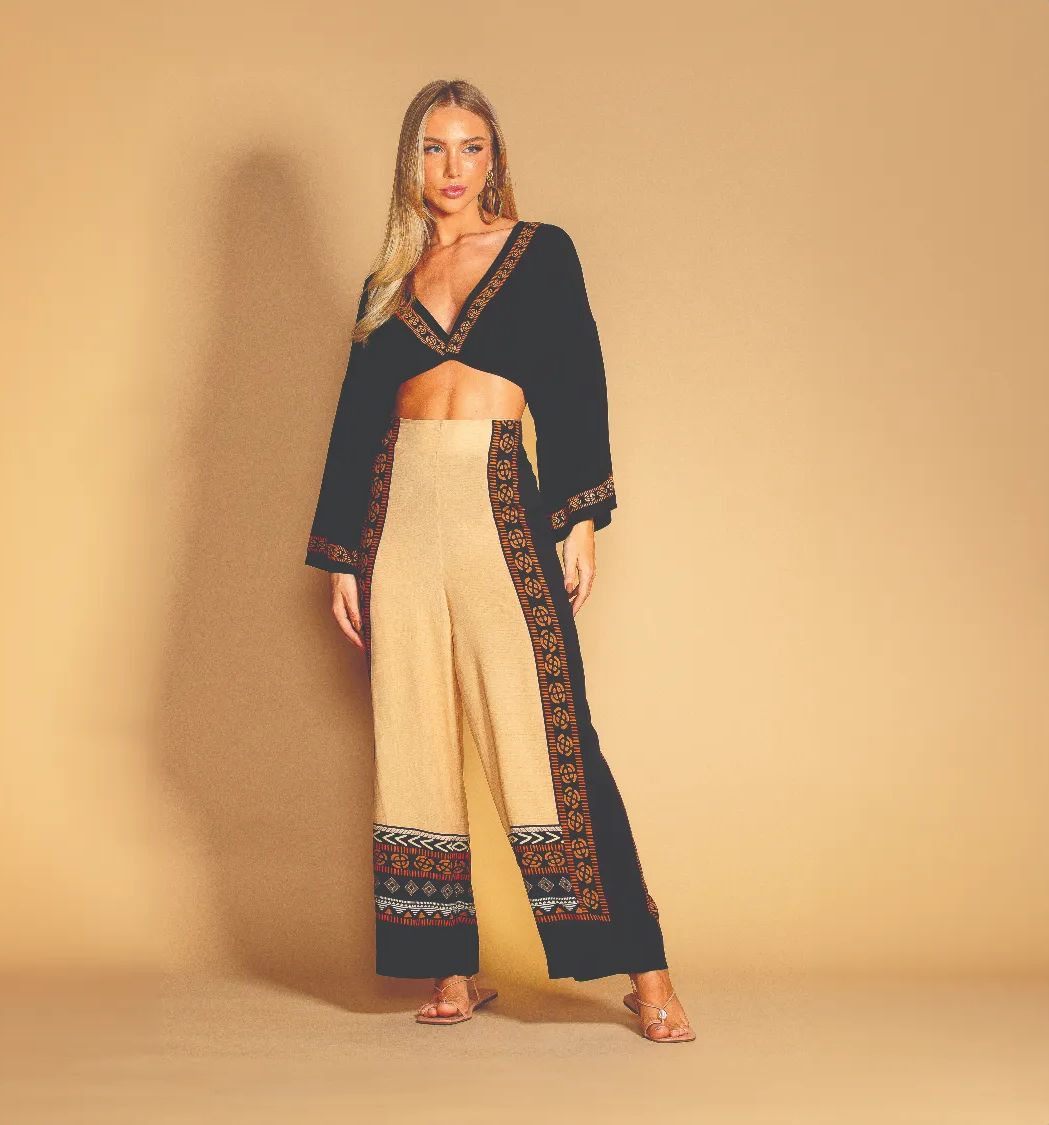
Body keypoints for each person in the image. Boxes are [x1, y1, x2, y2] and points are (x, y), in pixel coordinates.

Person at [305, 78, 695, 1043]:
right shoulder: (387, 281)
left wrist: (579, 516)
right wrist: (344, 555)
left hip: (497, 503)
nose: (452, 168)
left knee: (546, 738)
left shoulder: (538, 252)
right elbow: (355, 423)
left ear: (495, 159)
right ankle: (451, 970)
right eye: (433, 148)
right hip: (398, 511)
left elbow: (577, 378)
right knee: (412, 732)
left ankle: (646, 973)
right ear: (412, 161)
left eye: (469, 147)